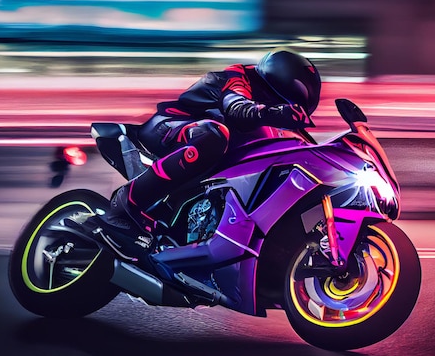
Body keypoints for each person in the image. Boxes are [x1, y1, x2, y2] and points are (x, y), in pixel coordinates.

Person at [74, 48, 322, 260]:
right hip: (171, 127)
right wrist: (277, 113)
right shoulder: (238, 77)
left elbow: (307, 150)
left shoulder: (281, 121)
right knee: (215, 134)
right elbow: (236, 109)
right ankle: (122, 207)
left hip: (212, 163)